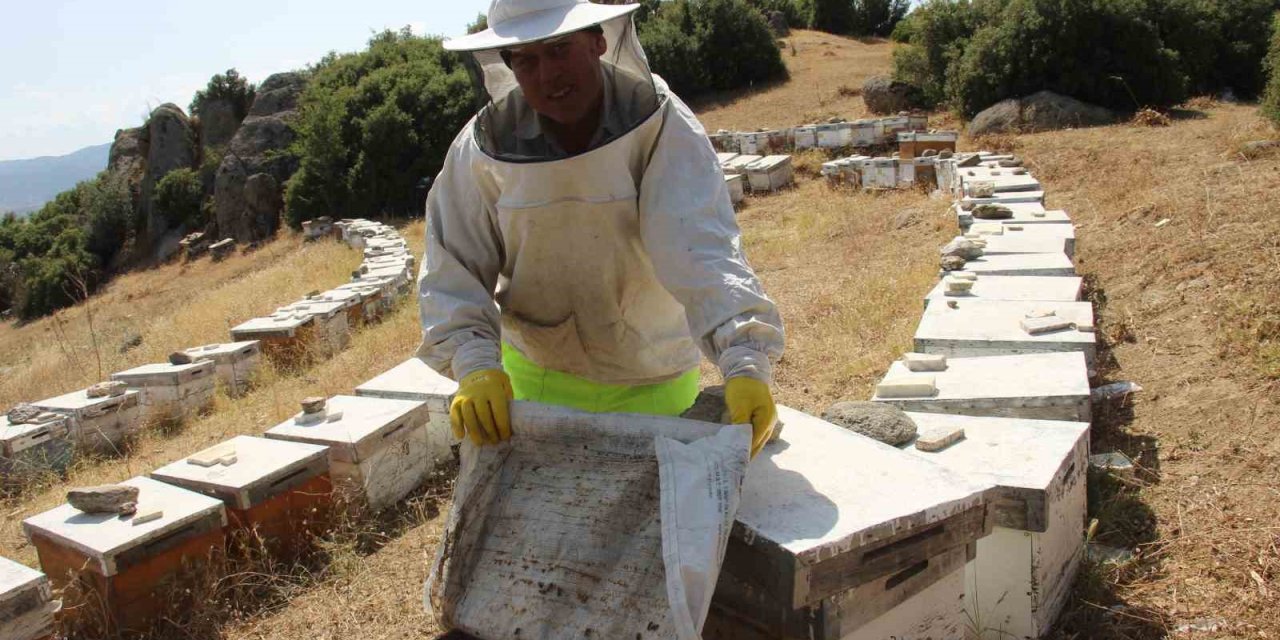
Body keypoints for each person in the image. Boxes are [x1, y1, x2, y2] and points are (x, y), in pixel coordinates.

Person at [417, 0, 785, 457]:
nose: (547, 74)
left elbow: (700, 247)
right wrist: (474, 366)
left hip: (651, 372)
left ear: (598, 40)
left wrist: (745, 360)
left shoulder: (662, 125)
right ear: (507, 66)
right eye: (526, 60)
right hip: (534, 370)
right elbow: (453, 263)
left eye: (559, 50)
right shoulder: (480, 148)